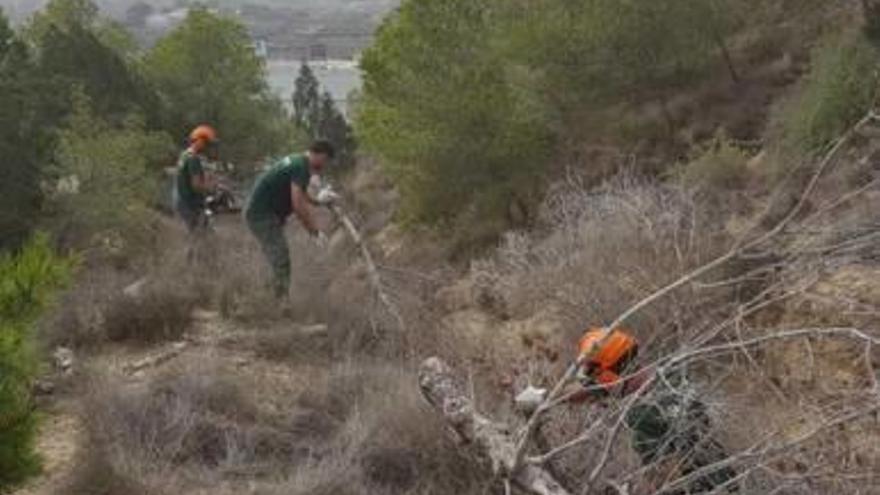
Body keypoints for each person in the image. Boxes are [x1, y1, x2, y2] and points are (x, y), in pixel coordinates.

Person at [571, 327, 739, 494]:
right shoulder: (672, 374)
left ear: (609, 375)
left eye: (599, 377)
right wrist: (554, 397)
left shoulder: (644, 414)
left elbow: (660, 479)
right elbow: (600, 388)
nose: (599, 383)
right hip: (728, 480)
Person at [244, 140, 337, 298]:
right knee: (280, 259)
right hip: (262, 216)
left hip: (262, 213)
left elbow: (300, 194)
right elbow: (298, 205)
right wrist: (314, 232)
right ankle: (278, 304)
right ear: (320, 155)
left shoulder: (298, 161)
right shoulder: (301, 167)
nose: (325, 165)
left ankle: (265, 296)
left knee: (275, 258)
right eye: (326, 160)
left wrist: (319, 202)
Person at [175, 125, 219, 235]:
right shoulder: (193, 159)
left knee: (195, 237)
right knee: (202, 237)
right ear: (200, 141)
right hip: (191, 205)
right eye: (208, 144)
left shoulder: (184, 155)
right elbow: (196, 185)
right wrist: (212, 189)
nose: (209, 148)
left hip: (182, 202)